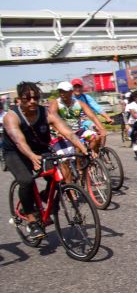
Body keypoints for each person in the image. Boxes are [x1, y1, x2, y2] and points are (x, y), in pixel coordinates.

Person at [3, 82, 87, 239]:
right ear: (19, 100)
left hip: (40, 150)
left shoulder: (46, 113)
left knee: (60, 175)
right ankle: (31, 219)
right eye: (27, 98)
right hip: (15, 152)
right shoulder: (11, 117)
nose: (32, 101)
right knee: (26, 180)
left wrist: (83, 149)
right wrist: (31, 156)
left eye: (35, 98)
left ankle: (44, 198)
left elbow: (67, 132)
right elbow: (19, 141)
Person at [49, 81, 107, 156]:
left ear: (71, 92)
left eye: (65, 91)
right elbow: (52, 118)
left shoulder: (79, 103)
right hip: (62, 134)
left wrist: (102, 129)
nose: (62, 94)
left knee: (96, 137)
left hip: (78, 131)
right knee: (66, 159)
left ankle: (91, 157)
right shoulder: (56, 103)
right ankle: (79, 165)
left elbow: (92, 116)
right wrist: (58, 131)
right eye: (60, 91)